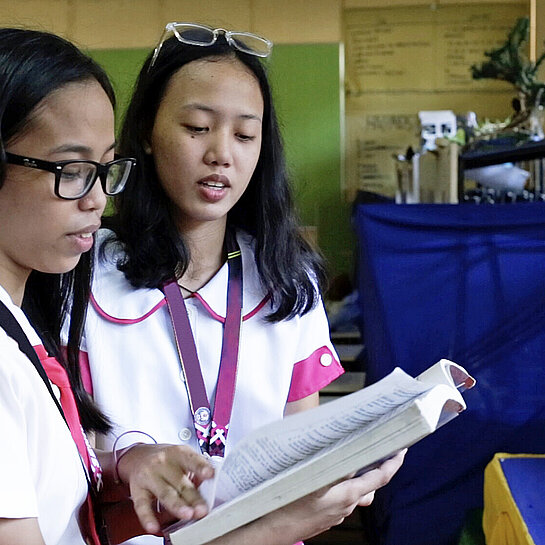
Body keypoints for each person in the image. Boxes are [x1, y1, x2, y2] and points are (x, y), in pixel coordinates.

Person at [81, 22, 405, 544]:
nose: (221, 154)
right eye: (196, 127)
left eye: (244, 134)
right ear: (146, 131)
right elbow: (63, 450)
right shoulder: (85, 271)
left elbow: (298, 443)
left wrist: (346, 464)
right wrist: (132, 460)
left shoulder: (288, 278)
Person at [0, 28, 216, 545]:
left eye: (103, 168)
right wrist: (270, 530)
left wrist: (127, 462)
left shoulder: (24, 322)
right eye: (72, 170)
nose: (97, 199)